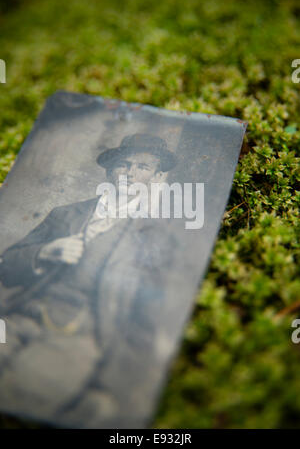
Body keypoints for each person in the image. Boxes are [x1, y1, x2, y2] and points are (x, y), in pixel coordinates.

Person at [0, 133, 178, 426]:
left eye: (143, 167)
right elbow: (5, 267)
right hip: (19, 318)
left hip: (80, 338)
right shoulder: (65, 214)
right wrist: (43, 253)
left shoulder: (154, 239)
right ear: (110, 171)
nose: (130, 174)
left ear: (157, 177)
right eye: (124, 164)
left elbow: (145, 319)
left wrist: (113, 385)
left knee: (20, 393)